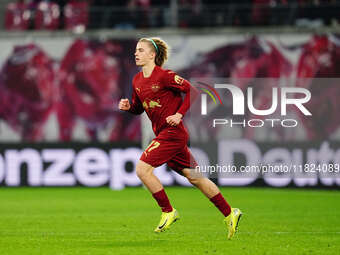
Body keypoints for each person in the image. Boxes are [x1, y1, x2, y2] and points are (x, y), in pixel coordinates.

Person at [118, 37, 242, 239]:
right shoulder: (137, 80)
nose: (136, 53)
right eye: (135, 50)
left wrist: (179, 114)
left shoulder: (165, 76)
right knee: (196, 178)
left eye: (141, 50)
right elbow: (139, 108)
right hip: (165, 134)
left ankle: (168, 211)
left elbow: (193, 91)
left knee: (142, 169)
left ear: (152, 55)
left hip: (173, 133)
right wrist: (129, 108)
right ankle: (230, 213)